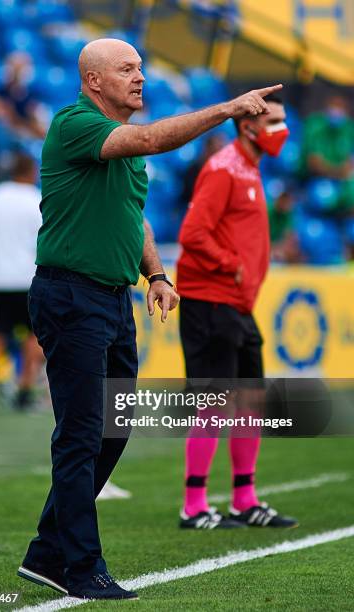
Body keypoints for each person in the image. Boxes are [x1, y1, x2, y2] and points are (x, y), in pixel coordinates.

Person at [16, 36, 282, 601]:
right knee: (83, 433)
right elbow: (152, 138)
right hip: (70, 295)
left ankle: (46, 552)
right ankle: (80, 567)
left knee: (113, 428)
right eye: (127, 69)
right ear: (94, 81)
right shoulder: (75, 122)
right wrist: (227, 109)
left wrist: (157, 275)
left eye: (140, 68)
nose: (140, 77)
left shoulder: (124, 148)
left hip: (112, 298)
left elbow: (133, 218)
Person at [177, 93, 299, 529]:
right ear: (248, 126)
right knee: (213, 404)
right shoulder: (224, 168)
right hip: (211, 300)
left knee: (249, 402)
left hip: (234, 304)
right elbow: (193, 233)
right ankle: (194, 506)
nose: (282, 130)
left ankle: (245, 500)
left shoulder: (247, 167)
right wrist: (233, 266)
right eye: (274, 121)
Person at [0, 153, 43, 409]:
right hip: (28, 278)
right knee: (34, 336)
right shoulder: (34, 199)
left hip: (0, 277)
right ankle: (24, 391)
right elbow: (45, 237)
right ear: (30, 171)